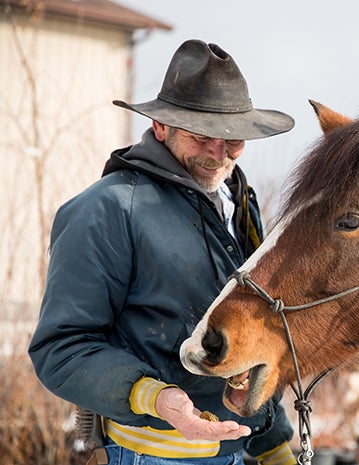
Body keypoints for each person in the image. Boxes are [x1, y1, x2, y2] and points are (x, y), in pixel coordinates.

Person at [28, 39, 298, 465]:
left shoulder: (239, 202)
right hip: (148, 455)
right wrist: (156, 397)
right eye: (201, 135)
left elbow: (250, 338)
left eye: (233, 140)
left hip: (234, 451)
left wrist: (275, 445)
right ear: (161, 127)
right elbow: (61, 349)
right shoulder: (106, 209)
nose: (218, 153)